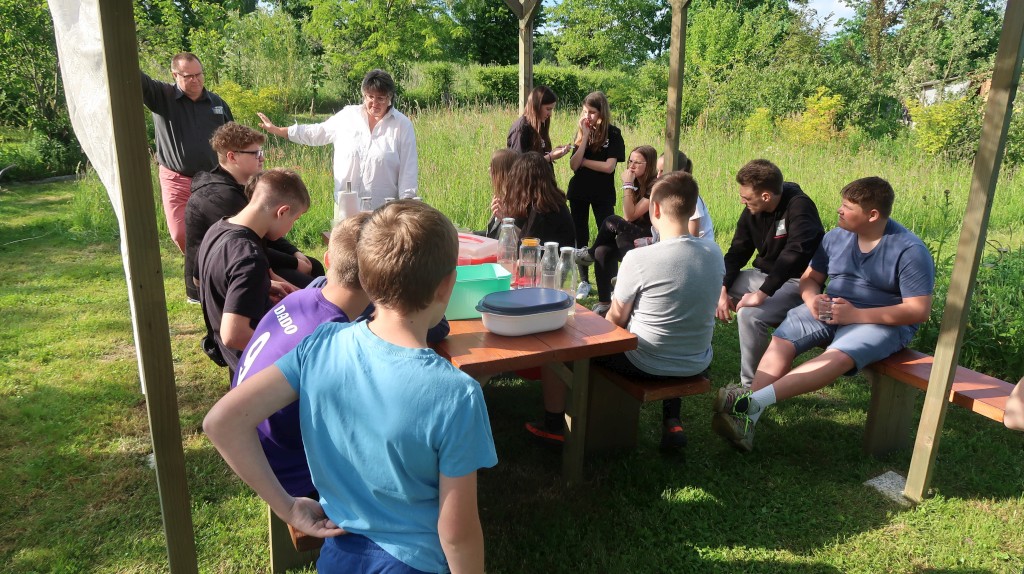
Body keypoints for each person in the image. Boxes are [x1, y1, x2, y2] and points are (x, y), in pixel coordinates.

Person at [203, 200, 497, 573]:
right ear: (447, 286)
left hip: (338, 558)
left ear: (367, 279)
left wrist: (288, 507)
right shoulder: (458, 394)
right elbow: (457, 533)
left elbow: (221, 422)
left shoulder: (320, 344)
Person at [231, 213, 450, 500]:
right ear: (378, 280)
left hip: (261, 444)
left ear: (329, 258)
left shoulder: (301, 297)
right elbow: (436, 327)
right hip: (290, 473)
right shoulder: (333, 339)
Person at [712, 176, 936, 452]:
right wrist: (812, 298)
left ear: (873, 215)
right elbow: (810, 278)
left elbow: (918, 311)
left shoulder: (909, 250)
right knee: (783, 340)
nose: (839, 210)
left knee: (837, 356)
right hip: (831, 308)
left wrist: (855, 315)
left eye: (847, 207)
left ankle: (750, 405)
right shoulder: (836, 236)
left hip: (880, 321)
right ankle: (749, 416)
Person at [525, 171, 724, 451]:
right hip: (698, 361)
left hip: (644, 362)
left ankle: (555, 425)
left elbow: (614, 321)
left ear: (654, 208)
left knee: (556, 338)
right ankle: (671, 420)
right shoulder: (714, 253)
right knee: (668, 327)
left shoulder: (640, 258)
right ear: (693, 209)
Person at [184, 122, 324, 302]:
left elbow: (266, 228)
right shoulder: (220, 196)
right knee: (311, 284)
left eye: (261, 153)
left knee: (314, 266)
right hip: (222, 278)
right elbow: (246, 247)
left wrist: (295, 252)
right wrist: (294, 263)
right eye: (255, 154)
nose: (262, 159)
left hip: (251, 258)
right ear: (232, 157)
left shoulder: (238, 186)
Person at [717, 159, 825, 388]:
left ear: (766, 196)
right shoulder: (752, 210)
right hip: (762, 277)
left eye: (746, 198)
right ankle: (696, 362)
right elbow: (738, 250)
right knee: (707, 284)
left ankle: (749, 389)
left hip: (796, 282)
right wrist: (722, 287)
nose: (742, 201)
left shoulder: (800, 207)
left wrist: (761, 294)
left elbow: (795, 254)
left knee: (750, 315)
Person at [197, 168, 310, 379]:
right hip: (255, 367)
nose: (291, 227)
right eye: (294, 219)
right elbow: (233, 334)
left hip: (233, 360)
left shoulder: (218, 228)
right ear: (282, 211)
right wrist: (288, 353)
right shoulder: (249, 258)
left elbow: (219, 280)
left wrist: (265, 285)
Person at [258, 69, 417, 209]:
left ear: (390, 98)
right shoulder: (348, 116)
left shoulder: (402, 125)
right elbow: (317, 132)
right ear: (363, 95)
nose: (374, 103)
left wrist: (407, 206)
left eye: (380, 98)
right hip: (347, 206)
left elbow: (408, 170)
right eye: (370, 97)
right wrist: (279, 131)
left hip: (383, 210)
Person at [141, 52, 233, 253]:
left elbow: (233, 139)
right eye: (188, 76)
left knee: (220, 230)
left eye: (199, 74)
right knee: (181, 233)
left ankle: (213, 271)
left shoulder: (216, 103)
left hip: (213, 178)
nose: (196, 80)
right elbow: (136, 78)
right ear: (175, 75)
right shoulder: (162, 96)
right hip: (177, 179)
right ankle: (200, 268)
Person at [573, 145, 658, 316]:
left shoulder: (654, 185)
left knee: (611, 220)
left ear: (649, 165)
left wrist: (627, 185)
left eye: (637, 162)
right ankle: (605, 303)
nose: (631, 166)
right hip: (633, 238)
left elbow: (630, 215)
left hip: (650, 240)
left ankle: (591, 255)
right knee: (602, 251)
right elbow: (629, 219)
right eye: (630, 161)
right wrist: (630, 185)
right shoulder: (637, 184)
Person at [565, 91, 625, 299]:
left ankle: (612, 279)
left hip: (603, 193)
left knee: (607, 235)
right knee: (580, 235)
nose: (587, 116)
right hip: (579, 192)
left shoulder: (614, 134)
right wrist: (584, 138)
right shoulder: (581, 133)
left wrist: (585, 163)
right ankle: (584, 281)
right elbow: (573, 165)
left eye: (591, 112)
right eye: (584, 111)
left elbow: (609, 167)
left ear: (601, 113)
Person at [487, 151, 575, 248]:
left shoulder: (541, 210)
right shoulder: (547, 203)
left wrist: (507, 221)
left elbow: (524, 250)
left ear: (525, 180)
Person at [656, 151, 714, 242]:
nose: (658, 176)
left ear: (679, 171)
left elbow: (692, 237)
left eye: (662, 171)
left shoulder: (691, 197)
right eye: (657, 171)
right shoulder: (670, 193)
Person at [507, 85, 572, 163]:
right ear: (536, 106)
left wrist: (554, 153)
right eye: (548, 109)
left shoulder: (540, 124)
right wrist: (550, 157)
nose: (550, 114)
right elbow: (520, 165)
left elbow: (539, 156)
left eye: (551, 109)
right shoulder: (521, 129)